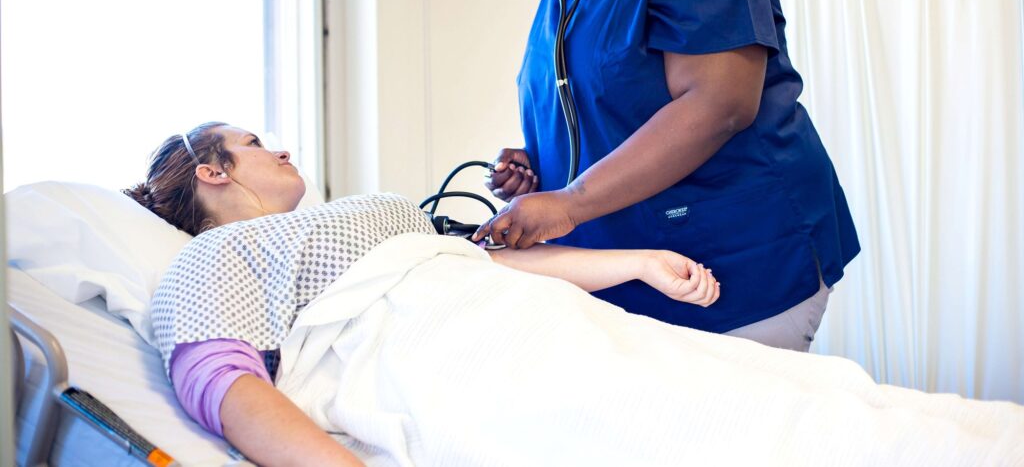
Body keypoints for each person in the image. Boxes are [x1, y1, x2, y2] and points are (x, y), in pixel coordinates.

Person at [472, 0, 860, 352]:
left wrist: (570, 201)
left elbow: (718, 106)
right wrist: (544, 164)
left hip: (735, 257)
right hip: (632, 267)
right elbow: (603, 100)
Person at [128, 122, 719, 466]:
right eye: (254, 142)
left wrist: (640, 263)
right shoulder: (212, 255)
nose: (280, 150)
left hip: (543, 325)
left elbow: (495, 267)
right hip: (461, 365)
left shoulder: (343, 218)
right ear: (212, 172)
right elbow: (222, 383)